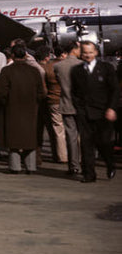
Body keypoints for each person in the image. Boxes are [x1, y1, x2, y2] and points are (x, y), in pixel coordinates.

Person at [70, 41, 118, 182]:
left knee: (103, 142)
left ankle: (110, 164)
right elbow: (74, 92)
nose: (88, 55)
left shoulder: (106, 68)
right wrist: (79, 109)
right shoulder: (76, 71)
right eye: (85, 52)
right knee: (86, 144)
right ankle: (89, 174)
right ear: (81, 53)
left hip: (103, 112)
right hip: (85, 113)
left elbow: (114, 90)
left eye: (90, 52)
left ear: (96, 52)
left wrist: (111, 108)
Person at [0, 41, 45, 174]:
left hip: (12, 108)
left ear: (12, 55)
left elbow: (1, 90)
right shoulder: (34, 71)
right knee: (30, 137)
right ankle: (31, 166)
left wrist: (7, 102)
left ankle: (15, 166)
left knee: (13, 139)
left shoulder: (7, 70)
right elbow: (41, 91)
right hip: (31, 109)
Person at [53, 40, 83, 178]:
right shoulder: (83, 65)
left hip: (66, 103)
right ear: (75, 49)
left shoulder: (58, 66)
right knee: (83, 135)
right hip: (82, 105)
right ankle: (85, 161)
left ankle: (74, 165)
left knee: (70, 136)